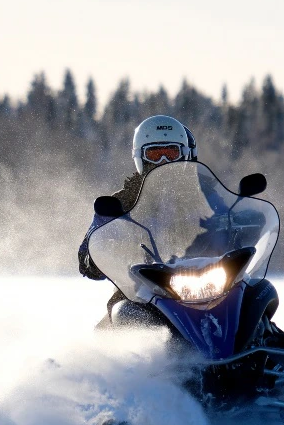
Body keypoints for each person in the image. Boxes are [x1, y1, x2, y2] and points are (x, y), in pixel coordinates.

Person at [78, 115, 198, 329]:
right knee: (125, 314)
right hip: (143, 292)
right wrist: (96, 254)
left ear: (184, 156)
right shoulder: (121, 203)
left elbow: (229, 216)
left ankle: (270, 349)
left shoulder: (202, 197)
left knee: (256, 295)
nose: (163, 162)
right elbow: (89, 250)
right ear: (140, 157)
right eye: (155, 154)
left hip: (205, 283)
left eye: (171, 153)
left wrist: (245, 222)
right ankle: (136, 361)